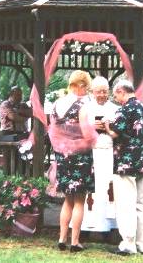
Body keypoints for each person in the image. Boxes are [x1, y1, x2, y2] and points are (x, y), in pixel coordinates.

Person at [48, 70, 97, 253]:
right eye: (87, 87)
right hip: (80, 157)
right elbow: (87, 132)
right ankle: (75, 242)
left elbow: (53, 131)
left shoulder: (56, 104)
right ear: (81, 85)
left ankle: (62, 238)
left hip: (62, 156)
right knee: (79, 200)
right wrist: (96, 136)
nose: (87, 91)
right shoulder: (83, 104)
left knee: (67, 200)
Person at [104, 79, 143, 256]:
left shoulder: (124, 109)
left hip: (126, 162)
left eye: (116, 94)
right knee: (141, 203)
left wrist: (108, 124)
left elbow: (115, 132)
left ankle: (128, 244)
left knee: (126, 204)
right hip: (142, 161)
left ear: (121, 91)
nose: (116, 98)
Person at [81, 76, 118, 233]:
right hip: (91, 153)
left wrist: (110, 127)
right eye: (99, 92)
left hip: (109, 152)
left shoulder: (115, 108)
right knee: (91, 190)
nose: (102, 95)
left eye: (105, 91)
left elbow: (120, 131)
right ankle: (88, 227)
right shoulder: (86, 108)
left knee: (109, 190)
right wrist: (91, 127)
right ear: (92, 92)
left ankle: (109, 227)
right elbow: (79, 131)